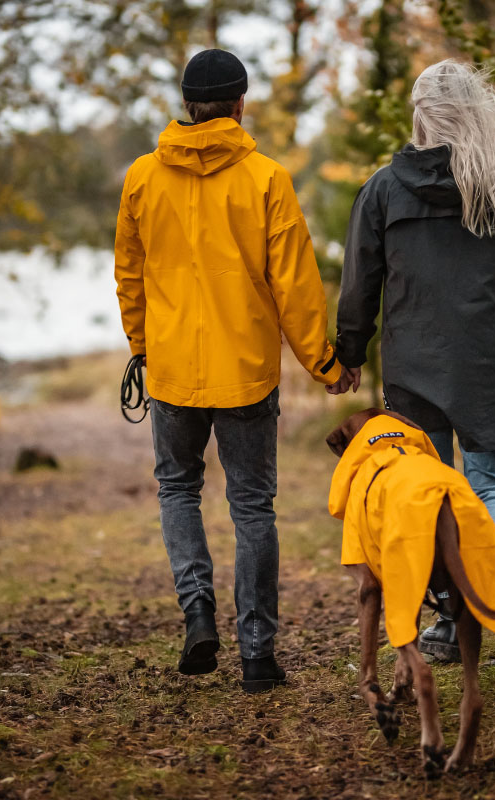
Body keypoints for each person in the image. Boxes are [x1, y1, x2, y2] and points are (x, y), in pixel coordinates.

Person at [114, 49, 352, 693]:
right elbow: (295, 284)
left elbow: (129, 275)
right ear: (241, 104)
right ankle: (257, 653)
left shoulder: (142, 177)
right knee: (252, 506)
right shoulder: (266, 178)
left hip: (171, 372)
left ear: (186, 104)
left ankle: (198, 614)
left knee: (177, 490)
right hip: (246, 373)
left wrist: (144, 345)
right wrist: (324, 362)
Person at [334, 59, 495, 670]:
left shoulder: (383, 189)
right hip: (486, 363)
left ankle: (448, 617)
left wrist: (350, 352)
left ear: (420, 116)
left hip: (414, 368)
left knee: (429, 496)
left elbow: (360, 283)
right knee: (493, 484)